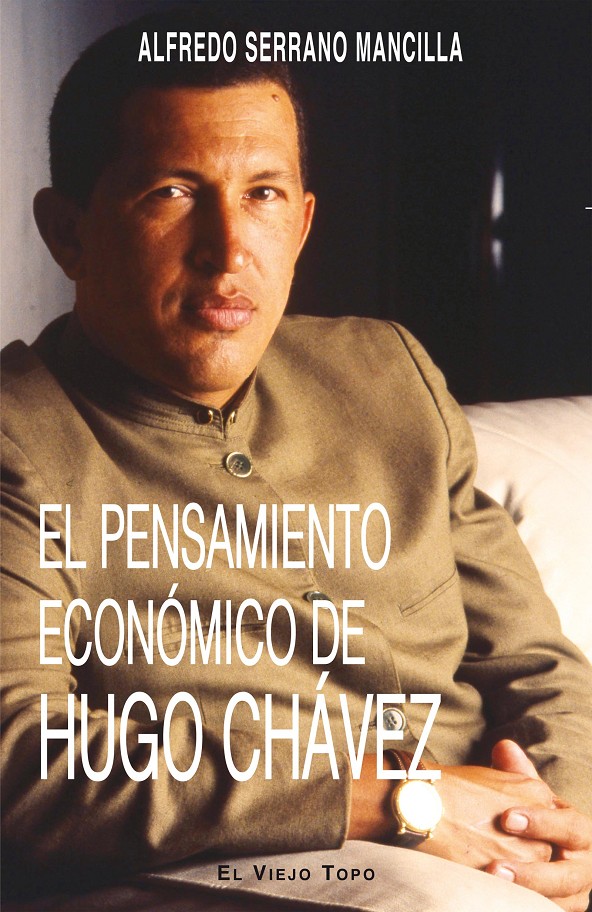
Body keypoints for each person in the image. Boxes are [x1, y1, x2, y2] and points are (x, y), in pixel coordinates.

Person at [1, 10, 591, 912]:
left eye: (264, 195)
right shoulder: (17, 439)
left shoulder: (389, 370)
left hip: (501, 847)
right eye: (172, 192)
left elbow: (536, 664)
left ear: (304, 222)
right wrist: (387, 802)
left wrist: (567, 826)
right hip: (237, 868)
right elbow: (23, 764)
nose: (229, 250)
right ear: (68, 232)